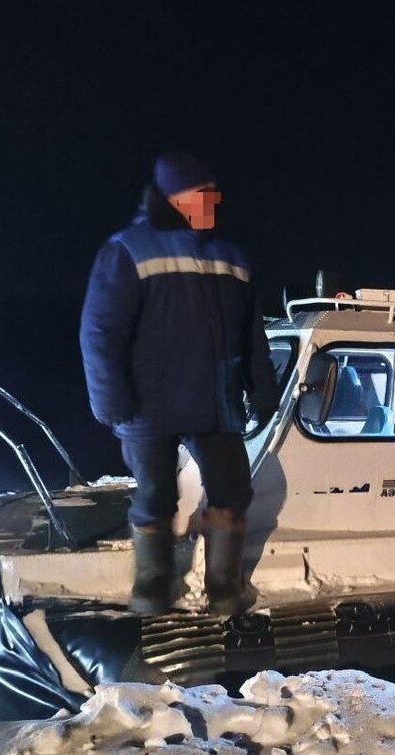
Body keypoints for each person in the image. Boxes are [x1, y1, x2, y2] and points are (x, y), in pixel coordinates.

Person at [80, 152, 280, 616]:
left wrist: (262, 388)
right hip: (147, 405)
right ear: (172, 198)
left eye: (214, 193)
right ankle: (152, 588)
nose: (212, 201)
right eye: (201, 194)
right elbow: (100, 331)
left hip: (216, 402)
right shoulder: (127, 249)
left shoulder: (232, 255)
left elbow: (251, 334)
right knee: (155, 497)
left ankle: (225, 588)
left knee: (233, 491)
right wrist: (110, 399)